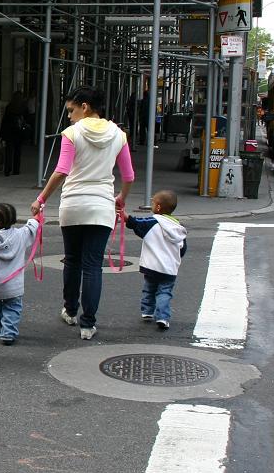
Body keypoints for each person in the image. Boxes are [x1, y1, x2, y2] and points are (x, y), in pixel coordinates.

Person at [32, 86, 134, 341]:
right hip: (102, 207)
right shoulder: (119, 135)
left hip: (73, 205)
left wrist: (41, 199)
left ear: (85, 106)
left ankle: (70, 310)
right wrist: (121, 198)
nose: (69, 116)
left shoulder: (72, 133)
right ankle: (88, 324)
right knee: (92, 266)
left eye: (71, 110)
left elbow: (61, 171)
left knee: (72, 260)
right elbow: (129, 175)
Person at [125, 190, 188, 331]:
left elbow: (135, 223)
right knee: (164, 292)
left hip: (152, 266)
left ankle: (147, 311)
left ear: (158, 207)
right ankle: (162, 317)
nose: (152, 205)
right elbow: (182, 250)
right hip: (169, 269)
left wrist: (124, 216)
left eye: (153, 203)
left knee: (149, 288)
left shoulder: (153, 222)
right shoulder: (178, 228)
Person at [0, 202, 40, 345]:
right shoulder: (20, 235)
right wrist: (36, 215)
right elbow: (32, 227)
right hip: (14, 284)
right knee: (12, 308)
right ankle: (8, 333)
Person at [0, 92, 28, 176]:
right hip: (19, 132)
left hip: (9, 133)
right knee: (17, 152)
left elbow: (4, 121)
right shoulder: (23, 108)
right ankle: (16, 170)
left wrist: (2, 134)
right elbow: (26, 119)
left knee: (8, 152)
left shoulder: (9, 107)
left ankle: (7, 170)